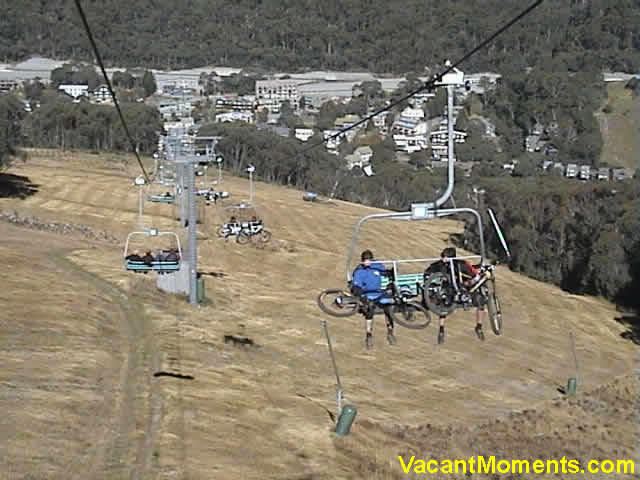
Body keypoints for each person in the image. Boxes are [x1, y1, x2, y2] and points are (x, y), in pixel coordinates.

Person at [424, 247, 485, 345]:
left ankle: (479, 326)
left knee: (480, 301)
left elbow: (475, 275)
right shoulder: (439, 265)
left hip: (463, 287)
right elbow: (428, 271)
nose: (443, 260)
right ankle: (441, 329)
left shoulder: (461, 264)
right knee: (444, 305)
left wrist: (468, 283)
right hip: (448, 290)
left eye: (445, 257)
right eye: (442, 257)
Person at [350, 249, 396, 350]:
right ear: (362, 261)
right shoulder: (359, 272)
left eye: (369, 260)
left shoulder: (377, 266)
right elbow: (356, 286)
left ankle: (390, 331)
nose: (368, 262)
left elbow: (385, 272)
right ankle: (369, 334)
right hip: (367, 294)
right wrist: (361, 296)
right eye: (365, 260)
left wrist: (391, 272)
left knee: (388, 307)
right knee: (369, 309)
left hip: (379, 293)